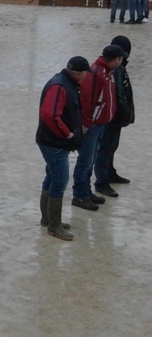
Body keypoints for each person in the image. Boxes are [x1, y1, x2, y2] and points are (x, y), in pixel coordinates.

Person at [35, 56, 90, 241]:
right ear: (80, 73)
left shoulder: (64, 82)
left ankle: (48, 219)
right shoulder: (60, 86)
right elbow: (50, 114)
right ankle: (54, 225)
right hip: (54, 143)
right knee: (59, 181)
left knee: (52, 177)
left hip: (52, 141)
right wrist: (67, 134)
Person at [70, 44, 125, 209]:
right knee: (86, 161)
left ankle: (85, 192)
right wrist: (87, 123)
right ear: (116, 59)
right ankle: (79, 194)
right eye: (121, 58)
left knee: (91, 160)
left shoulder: (107, 72)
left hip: (100, 124)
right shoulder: (96, 73)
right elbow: (88, 100)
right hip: (93, 125)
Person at [94, 36, 134, 196]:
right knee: (106, 147)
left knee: (111, 146)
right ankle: (102, 181)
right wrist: (125, 114)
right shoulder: (117, 70)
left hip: (114, 116)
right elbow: (119, 95)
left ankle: (109, 173)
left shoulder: (118, 67)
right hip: (113, 117)